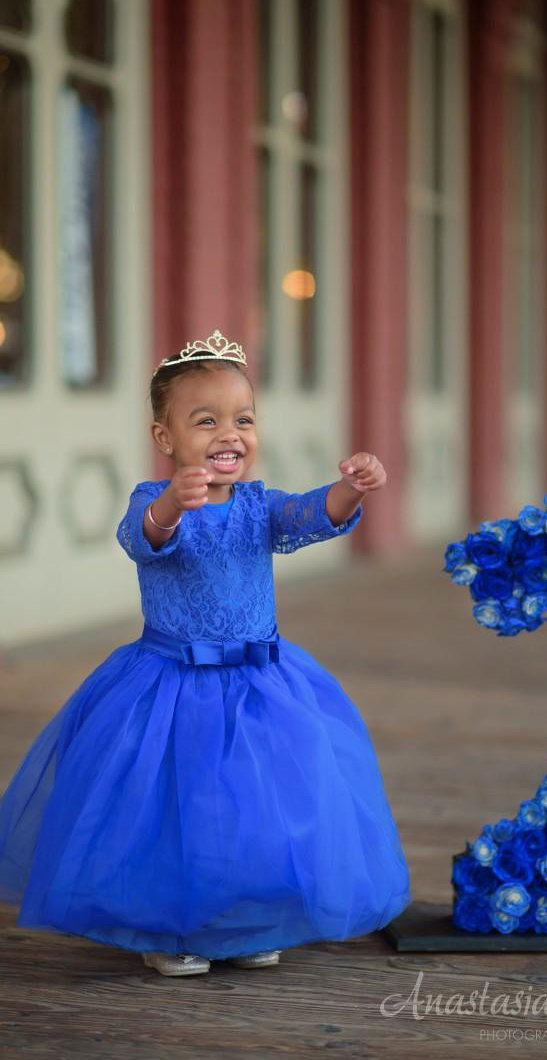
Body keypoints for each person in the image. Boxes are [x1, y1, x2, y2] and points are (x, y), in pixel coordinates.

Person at [0, 329, 412, 976]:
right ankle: (168, 928)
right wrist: (171, 504)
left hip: (260, 685)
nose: (230, 434)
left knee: (258, 808)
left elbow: (310, 516)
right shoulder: (154, 499)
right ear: (166, 438)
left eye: (243, 420)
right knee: (177, 810)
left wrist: (351, 489)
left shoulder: (257, 506)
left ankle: (242, 921)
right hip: (170, 686)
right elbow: (142, 539)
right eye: (206, 421)